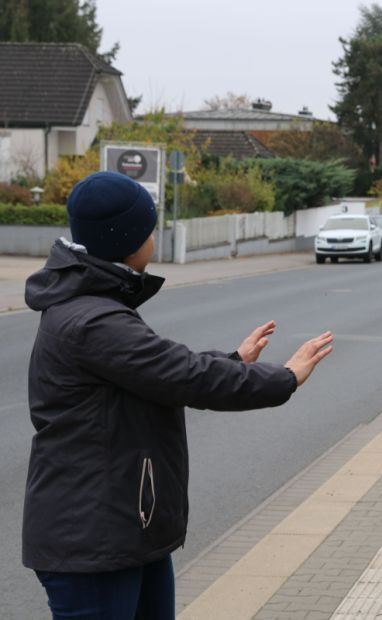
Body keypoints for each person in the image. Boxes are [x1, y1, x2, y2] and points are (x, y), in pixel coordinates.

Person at [22, 171, 334, 620]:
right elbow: (185, 375)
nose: (154, 238)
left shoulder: (95, 306)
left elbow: (155, 369)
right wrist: (284, 377)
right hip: (92, 540)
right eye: (148, 230)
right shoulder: (93, 320)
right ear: (129, 241)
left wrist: (232, 358)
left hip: (124, 529)